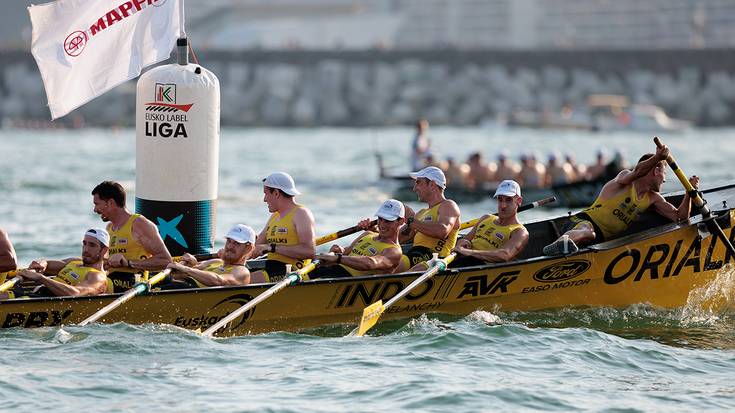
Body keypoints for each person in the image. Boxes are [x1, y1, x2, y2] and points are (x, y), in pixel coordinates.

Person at [543, 144, 699, 256]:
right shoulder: (625, 179)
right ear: (656, 171)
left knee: (591, 236)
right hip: (581, 222)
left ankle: (567, 247)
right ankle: (560, 243)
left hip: (599, 240)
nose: (664, 181)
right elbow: (638, 170)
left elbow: (680, 217)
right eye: (664, 174)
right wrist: (658, 156)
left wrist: (689, 192)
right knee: (588, 232)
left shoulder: (652, 198)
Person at [92, 181, 172, 292]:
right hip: (114, 280)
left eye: (97, 204)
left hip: (136, 282)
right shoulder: (109, 228)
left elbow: (166, 261)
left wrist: (129, 263)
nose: (95, 210)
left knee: (94, 283)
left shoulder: (139, 224)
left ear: (110, 203)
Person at [1, 228, 111, 300]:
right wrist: (41, 264)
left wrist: (41, 278)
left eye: (92, 245)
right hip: (34, 294)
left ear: (104, 251)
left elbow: (75, 293)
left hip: (44, 300)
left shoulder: (97, 277)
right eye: (84, 243)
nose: (86, 249)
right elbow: (47, 264)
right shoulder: (74, 262)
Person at [250, 172, 316, 283]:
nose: (264, 199)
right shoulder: (274, 217)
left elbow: (309, 251)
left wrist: (272, 248)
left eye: (266, 194)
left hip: (292, 271)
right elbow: (255, 248)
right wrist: (230, 252)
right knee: (232, 274)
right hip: (271, 267)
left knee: (244, 280)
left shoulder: (301, 214)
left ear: (276, 193)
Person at [311, 200, 404, 278]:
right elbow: (347, 251)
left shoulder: (394, 252)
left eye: (388, 221)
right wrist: (340, 250)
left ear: (401, 221)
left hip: (346, 280)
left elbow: (370, 263)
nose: (382, 225)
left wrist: (338, 258)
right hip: (331, 271)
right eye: (380, 219)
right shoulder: (367, 234)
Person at [395, 166, 461, 273]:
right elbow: (398, 239)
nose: (414, 188)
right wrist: (380, 228)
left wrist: (411, 220)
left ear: (432, 185)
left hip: (433, 258)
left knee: (390, 264)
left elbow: (441, 231)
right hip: (416, 255)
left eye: (418, 182)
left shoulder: (448, 205)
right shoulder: (421, 213)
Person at [452, 180, 529, 267]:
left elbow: (504, 255)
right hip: (463, 261)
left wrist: (468, 252)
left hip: (482, 266)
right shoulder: (486, 218)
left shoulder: (520, 232)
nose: (503, 205)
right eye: (500, 200)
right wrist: (462, 242)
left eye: (508, 200)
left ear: (519, 201)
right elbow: (464, 240)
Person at [164, 224, 255, 288]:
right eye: (229, 241)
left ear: (248, 248)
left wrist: (187, 269)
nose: (229, 246)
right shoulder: (216, 261)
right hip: (178, 285)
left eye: (237, 243)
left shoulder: (242, 272)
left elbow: (220, 281)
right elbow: (185, 273)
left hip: (189, 291)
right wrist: (189, 264)